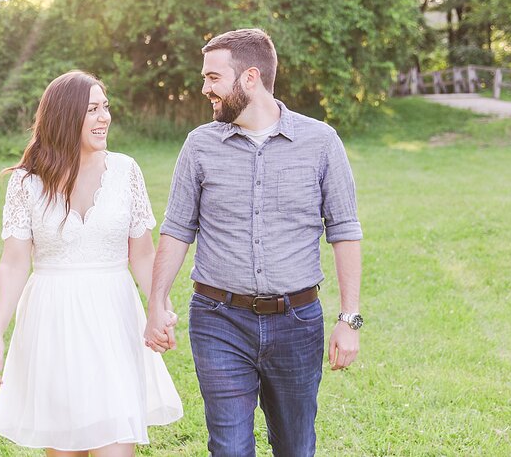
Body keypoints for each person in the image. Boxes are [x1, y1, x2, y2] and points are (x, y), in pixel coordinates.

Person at [143, 29, 363, 457]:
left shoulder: (321, 142)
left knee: (295, 446)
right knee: (228, 447)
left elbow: (345, 230)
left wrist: (349, 318)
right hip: (218, 319)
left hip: (297, 322)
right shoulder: (199, 145)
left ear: (249, 77)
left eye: (212, 78)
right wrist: (157, 301)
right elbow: (177, 227)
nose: (205, 88)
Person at [0, 71, 183, 456]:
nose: (104, 117)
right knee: (64, 446)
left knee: (115, 444)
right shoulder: (26, 183)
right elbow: (13, 264)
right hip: (52, 322)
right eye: (92, 110)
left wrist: (160, 308)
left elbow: (141, 253)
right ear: (64, 116)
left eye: (105, 107)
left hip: (113, 318)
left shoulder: (126, 171)